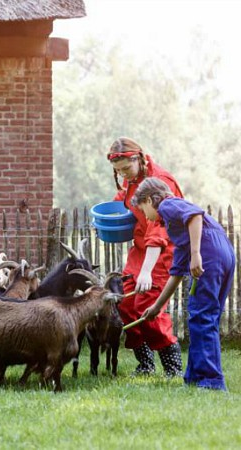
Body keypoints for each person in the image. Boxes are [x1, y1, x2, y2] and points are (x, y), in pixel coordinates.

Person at [134, 178, 235, 391]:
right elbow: (176, 274)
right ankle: (196, 377)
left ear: (151, 199)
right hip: (223, 253)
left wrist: (197, 254)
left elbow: (194, 215)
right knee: (207, 316)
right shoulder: (178, 231)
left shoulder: (167, 204)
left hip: (208, 253)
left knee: (201, 315)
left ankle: (211, 382)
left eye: (143, 210)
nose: (146, 217)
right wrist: (156, 308)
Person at [106, 137, 184, 377]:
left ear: (137, 159)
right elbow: (125, 202)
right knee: (127, 305)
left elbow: (159, 232)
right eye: (118, 172)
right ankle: (146, 365)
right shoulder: (133, 180)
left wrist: (147, 271)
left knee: (148, 305)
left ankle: (173, 368)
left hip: (163, 251)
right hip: (140, 249)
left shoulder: (160, 182)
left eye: (126, 169)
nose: (124, 175)